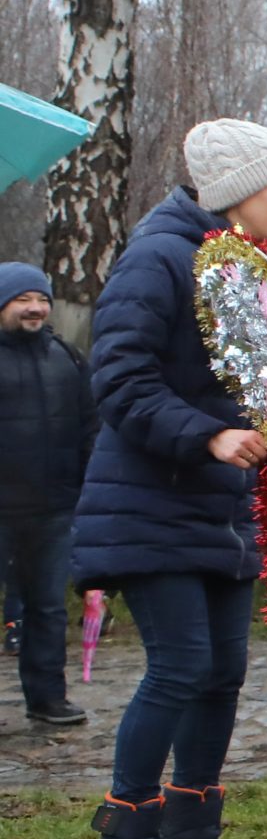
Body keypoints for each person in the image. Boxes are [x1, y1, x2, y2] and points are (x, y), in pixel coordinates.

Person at [79, 119, 267, 839]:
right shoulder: (159, 259)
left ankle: (190, 831)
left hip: (222, 511)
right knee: (181, 667)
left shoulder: (245, 267)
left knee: (221, 675)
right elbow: (117, 378)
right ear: (237, 189)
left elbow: (259, 398)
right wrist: (208, 436)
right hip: (151, 508)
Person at [1, 262, 95, 727]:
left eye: (41, 299)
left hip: (54, 508)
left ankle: (47, 697)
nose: (35, 308)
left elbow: (90, 429)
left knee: (47, 608)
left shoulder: (67, 358)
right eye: (22, 300)